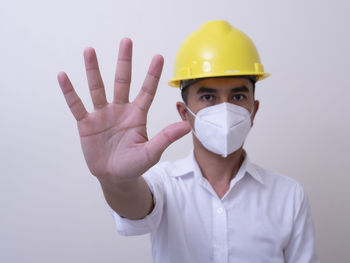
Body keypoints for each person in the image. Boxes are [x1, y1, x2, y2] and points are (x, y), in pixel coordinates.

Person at [57, 20, 319, 263]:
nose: (225, 109)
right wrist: (116, 180)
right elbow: (135, 205)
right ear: (185, 112)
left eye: (238, 97)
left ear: (254, 109)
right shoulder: (163, 183)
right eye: (208, 97)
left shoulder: (288, 196)